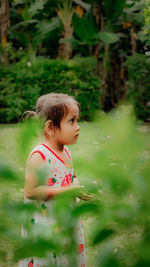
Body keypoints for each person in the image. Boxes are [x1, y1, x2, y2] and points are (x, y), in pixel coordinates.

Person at [18, 93, 92, 267]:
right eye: (72, 121)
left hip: (65, 218)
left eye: (77, 120)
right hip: (46, 221)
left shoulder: (66, 152)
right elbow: (31, 191)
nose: (78, 127)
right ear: (51, 127)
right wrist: (68, 191)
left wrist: (77, 186)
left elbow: (71, 175)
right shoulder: (39, 155)